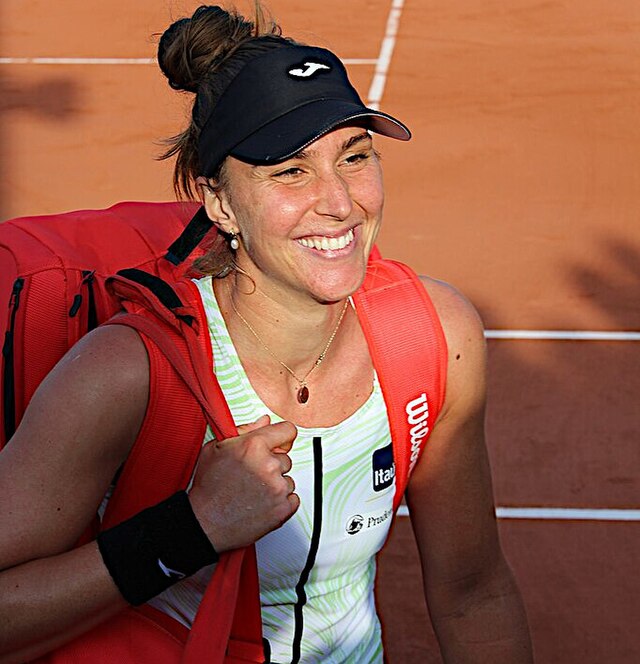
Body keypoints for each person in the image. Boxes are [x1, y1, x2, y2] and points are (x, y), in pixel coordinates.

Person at [0, 4, 534, 663]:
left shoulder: (433, 336)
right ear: (220, 201)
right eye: (291, 171)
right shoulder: (128, 371)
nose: (339, 202)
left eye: (355, 156)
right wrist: (189, 530)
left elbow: (472, 592)